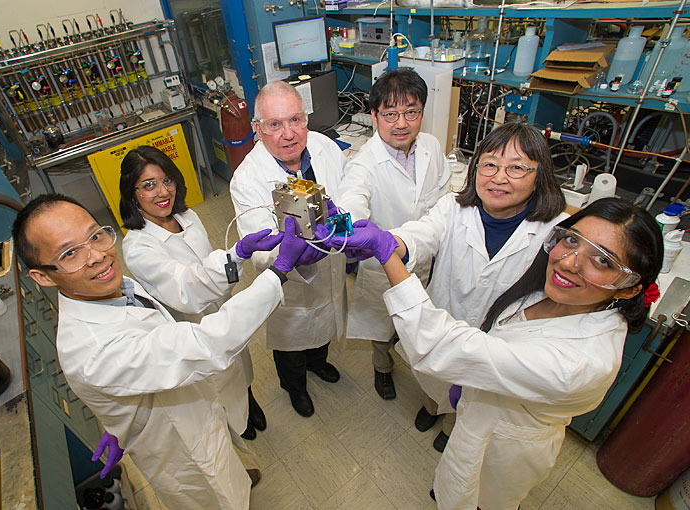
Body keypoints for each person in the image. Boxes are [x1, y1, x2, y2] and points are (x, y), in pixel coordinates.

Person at [325, 197, 663, 509]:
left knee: (481, 499)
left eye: (602, 260)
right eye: (572, 240)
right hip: (482, 413)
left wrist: (387, 254)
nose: (569, 261)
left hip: (505, 447)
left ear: (631, 287)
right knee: (454, 484)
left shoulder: (579, 363)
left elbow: (441, 345)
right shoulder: (556, 295)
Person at [12, 193, 309, 509]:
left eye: (96, 236)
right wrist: (277, 273)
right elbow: (204, 344)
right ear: (42, 276)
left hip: (192, 407)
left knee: (226, 461)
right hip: (179, 449)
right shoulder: (93, 351)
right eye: (70, 253)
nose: (96, 256)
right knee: (218, 497)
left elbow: (185, 292)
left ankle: (239, 476)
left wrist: (237, 254)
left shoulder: (110, 286)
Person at [391, 122, 567, 452]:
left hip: (497, 344)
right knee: (435, 379)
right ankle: (432, 408)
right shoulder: (454, 208)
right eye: (489, 164)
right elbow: (422, 233)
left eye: (516, 167)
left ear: (539, 175)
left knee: (471, 396)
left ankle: (450, 425)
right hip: (447, 319)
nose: (499, 178)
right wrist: (393, 242)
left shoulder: (555, 233)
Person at [118, 145, 266, 441]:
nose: (162, 192)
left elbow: (208, 259)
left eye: (167, 180)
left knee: (239, 364)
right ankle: (237, 419)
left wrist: (229, 270)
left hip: (221, 309)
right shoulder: (137, 247)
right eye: (148, 185)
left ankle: (248, 400)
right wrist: (236, 255)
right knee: (218, 382)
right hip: (193, 326)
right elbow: (186, 289)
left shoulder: (187, 216)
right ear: (132, 194)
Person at [230, 81, 347, 418]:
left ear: (306, 119)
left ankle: (319, 362)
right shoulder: (248, 179)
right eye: (274, 125)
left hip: (331, 265)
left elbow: (349, 198)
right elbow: (258, 248)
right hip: (291, 285)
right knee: (292, 341)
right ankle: (294, 386)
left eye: (295, 120)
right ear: (258, 129)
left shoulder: (325, 148)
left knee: (326, 322)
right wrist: (294, 256)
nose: (288, 134)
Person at [336, 68, 451, 400]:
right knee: (382, 328)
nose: (402, 123)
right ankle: (382, 367)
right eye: (390, 114)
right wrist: (349, 227)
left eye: (411, 112)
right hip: (384, 267)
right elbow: (351, 203)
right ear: (374, 116)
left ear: (421, 114)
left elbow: (443, 196)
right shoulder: (363, 164)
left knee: (422, 324)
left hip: (427, 258)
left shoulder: (430, 145)